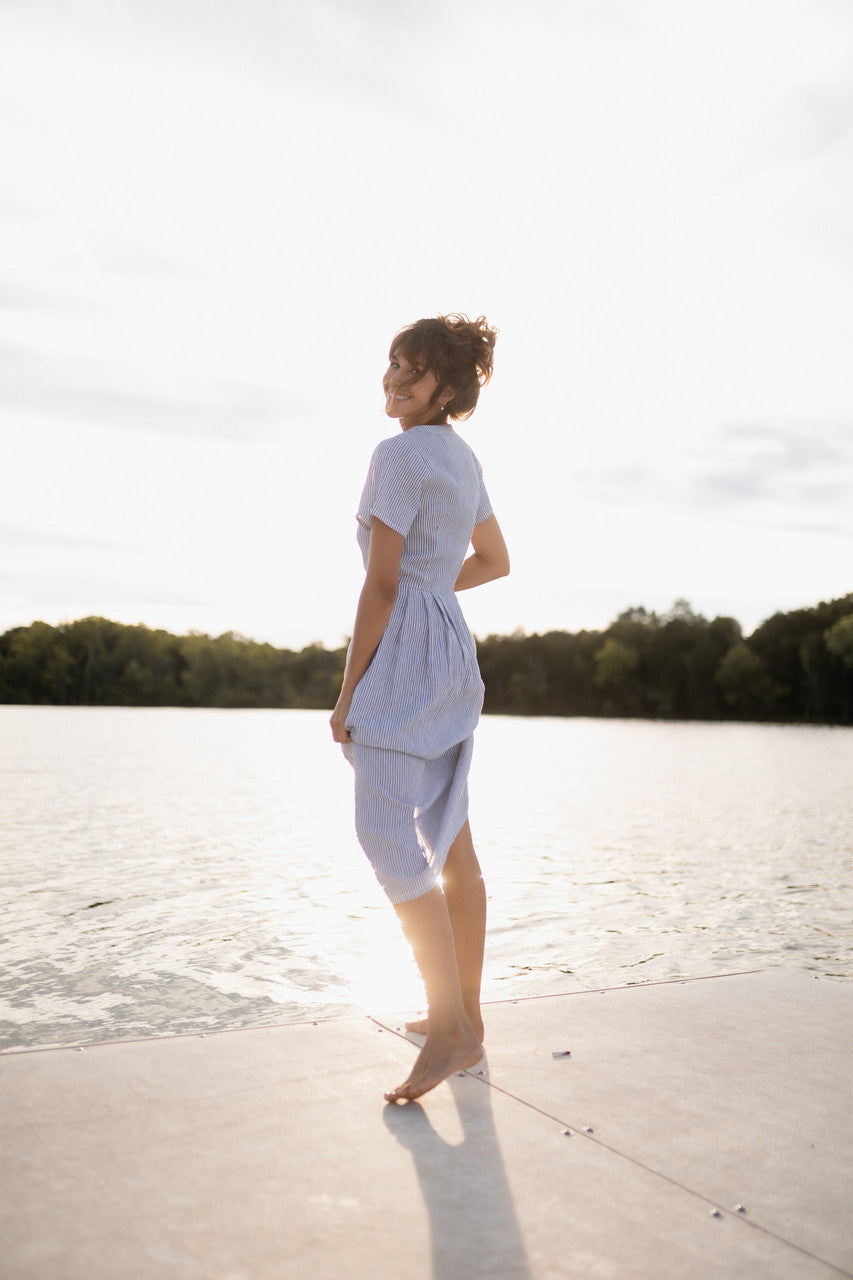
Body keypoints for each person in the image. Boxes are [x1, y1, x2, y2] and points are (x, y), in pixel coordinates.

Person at [330, 313, 509, 1104]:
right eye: (392, 364)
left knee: (382, 834)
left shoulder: (398, 456)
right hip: (452, 652)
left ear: (448, 388)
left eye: (412, 370)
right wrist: (435, 592)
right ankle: (465, 1020)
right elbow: (495, 562)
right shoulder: (463, 460)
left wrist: (346, 694)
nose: (394, 380)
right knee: (451, 842)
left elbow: (378, 584)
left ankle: (449, 1029)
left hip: (405, 655)